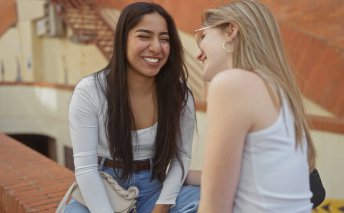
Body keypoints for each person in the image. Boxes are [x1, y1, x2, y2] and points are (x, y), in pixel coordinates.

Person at [65, 2, 199, 213]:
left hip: (155, 186)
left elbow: (180, 157)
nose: (156, 47)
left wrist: (161, 207)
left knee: (203, 203)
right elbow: (86, 169)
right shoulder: (90, 91)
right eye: (144, 36)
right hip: (104, 186)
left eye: (164, 39)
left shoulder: (179, 95)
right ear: (123, 40)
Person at [194, 0, 317, 212]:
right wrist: (180, 175)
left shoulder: (232, 84)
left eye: (202, 36)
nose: (197, 53)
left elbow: (214, 208)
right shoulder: (280, 90)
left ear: (231, 30)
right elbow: (249, 175)